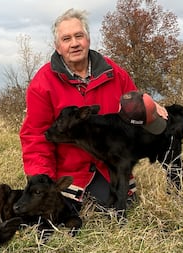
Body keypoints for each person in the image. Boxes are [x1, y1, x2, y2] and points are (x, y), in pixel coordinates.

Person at [19, 8, 139, 211]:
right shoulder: (42, 84)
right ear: (58, 47)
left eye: (79, 36)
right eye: (66, 39)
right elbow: (36, 136)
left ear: (88, 40)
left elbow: (136, 111)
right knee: (62, 211)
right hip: (70, 170)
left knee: (121, 205)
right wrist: (43, 180)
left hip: (109, 166)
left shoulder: (115, 73)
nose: (74, 43)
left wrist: (152, 109)